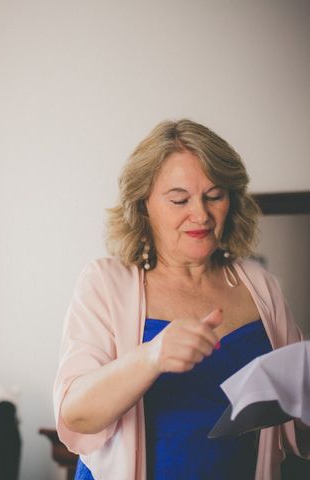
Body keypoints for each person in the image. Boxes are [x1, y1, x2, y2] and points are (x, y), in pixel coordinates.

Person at [53, 119, 310, 480]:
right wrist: (151, 356)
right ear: (144, 205)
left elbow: (299, 408)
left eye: (214, 195)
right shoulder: (105, 283)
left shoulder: (260, 284)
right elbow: (75, 413)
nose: (201, 214)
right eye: (179, 199)